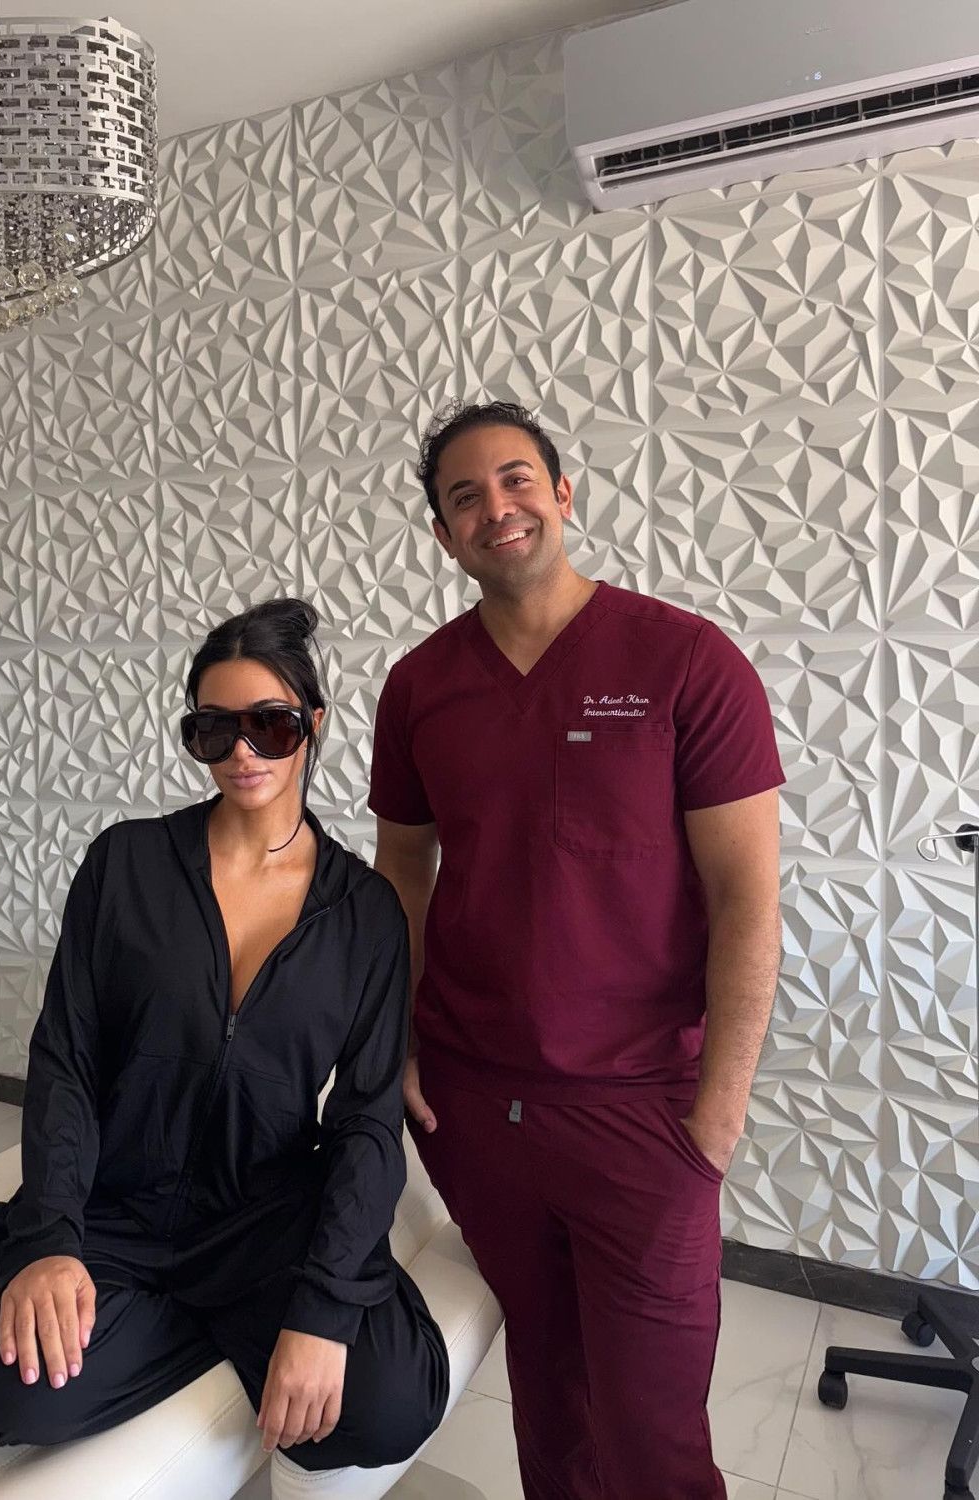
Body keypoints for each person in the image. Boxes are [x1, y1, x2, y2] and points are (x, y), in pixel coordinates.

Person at [370, 401, 784, 1500]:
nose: (496, 509)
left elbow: (747, 897)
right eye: (465, 497)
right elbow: (402, 870)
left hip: (642, 1110)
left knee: (653, 1428)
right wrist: (394, 1040)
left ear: (562, 493)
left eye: (517, 480)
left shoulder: (686, 660)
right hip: (476, 1105)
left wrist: (716, 1118)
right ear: (444, 534)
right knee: (551, 1399)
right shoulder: (420, 687)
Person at [0, 598, 448, 1497]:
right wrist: (51, 1240)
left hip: (264, 1212)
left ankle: (217, 1314)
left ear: (314, 723)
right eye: (213, 730)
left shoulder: (365, 912)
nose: (243, 753)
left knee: (391, 1404)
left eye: (271, 725)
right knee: (16, 1395)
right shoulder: (126, 864)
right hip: (118, 1204)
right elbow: (66, 1060)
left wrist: (322, 1310)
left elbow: (366, 1121)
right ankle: (221, 1323)